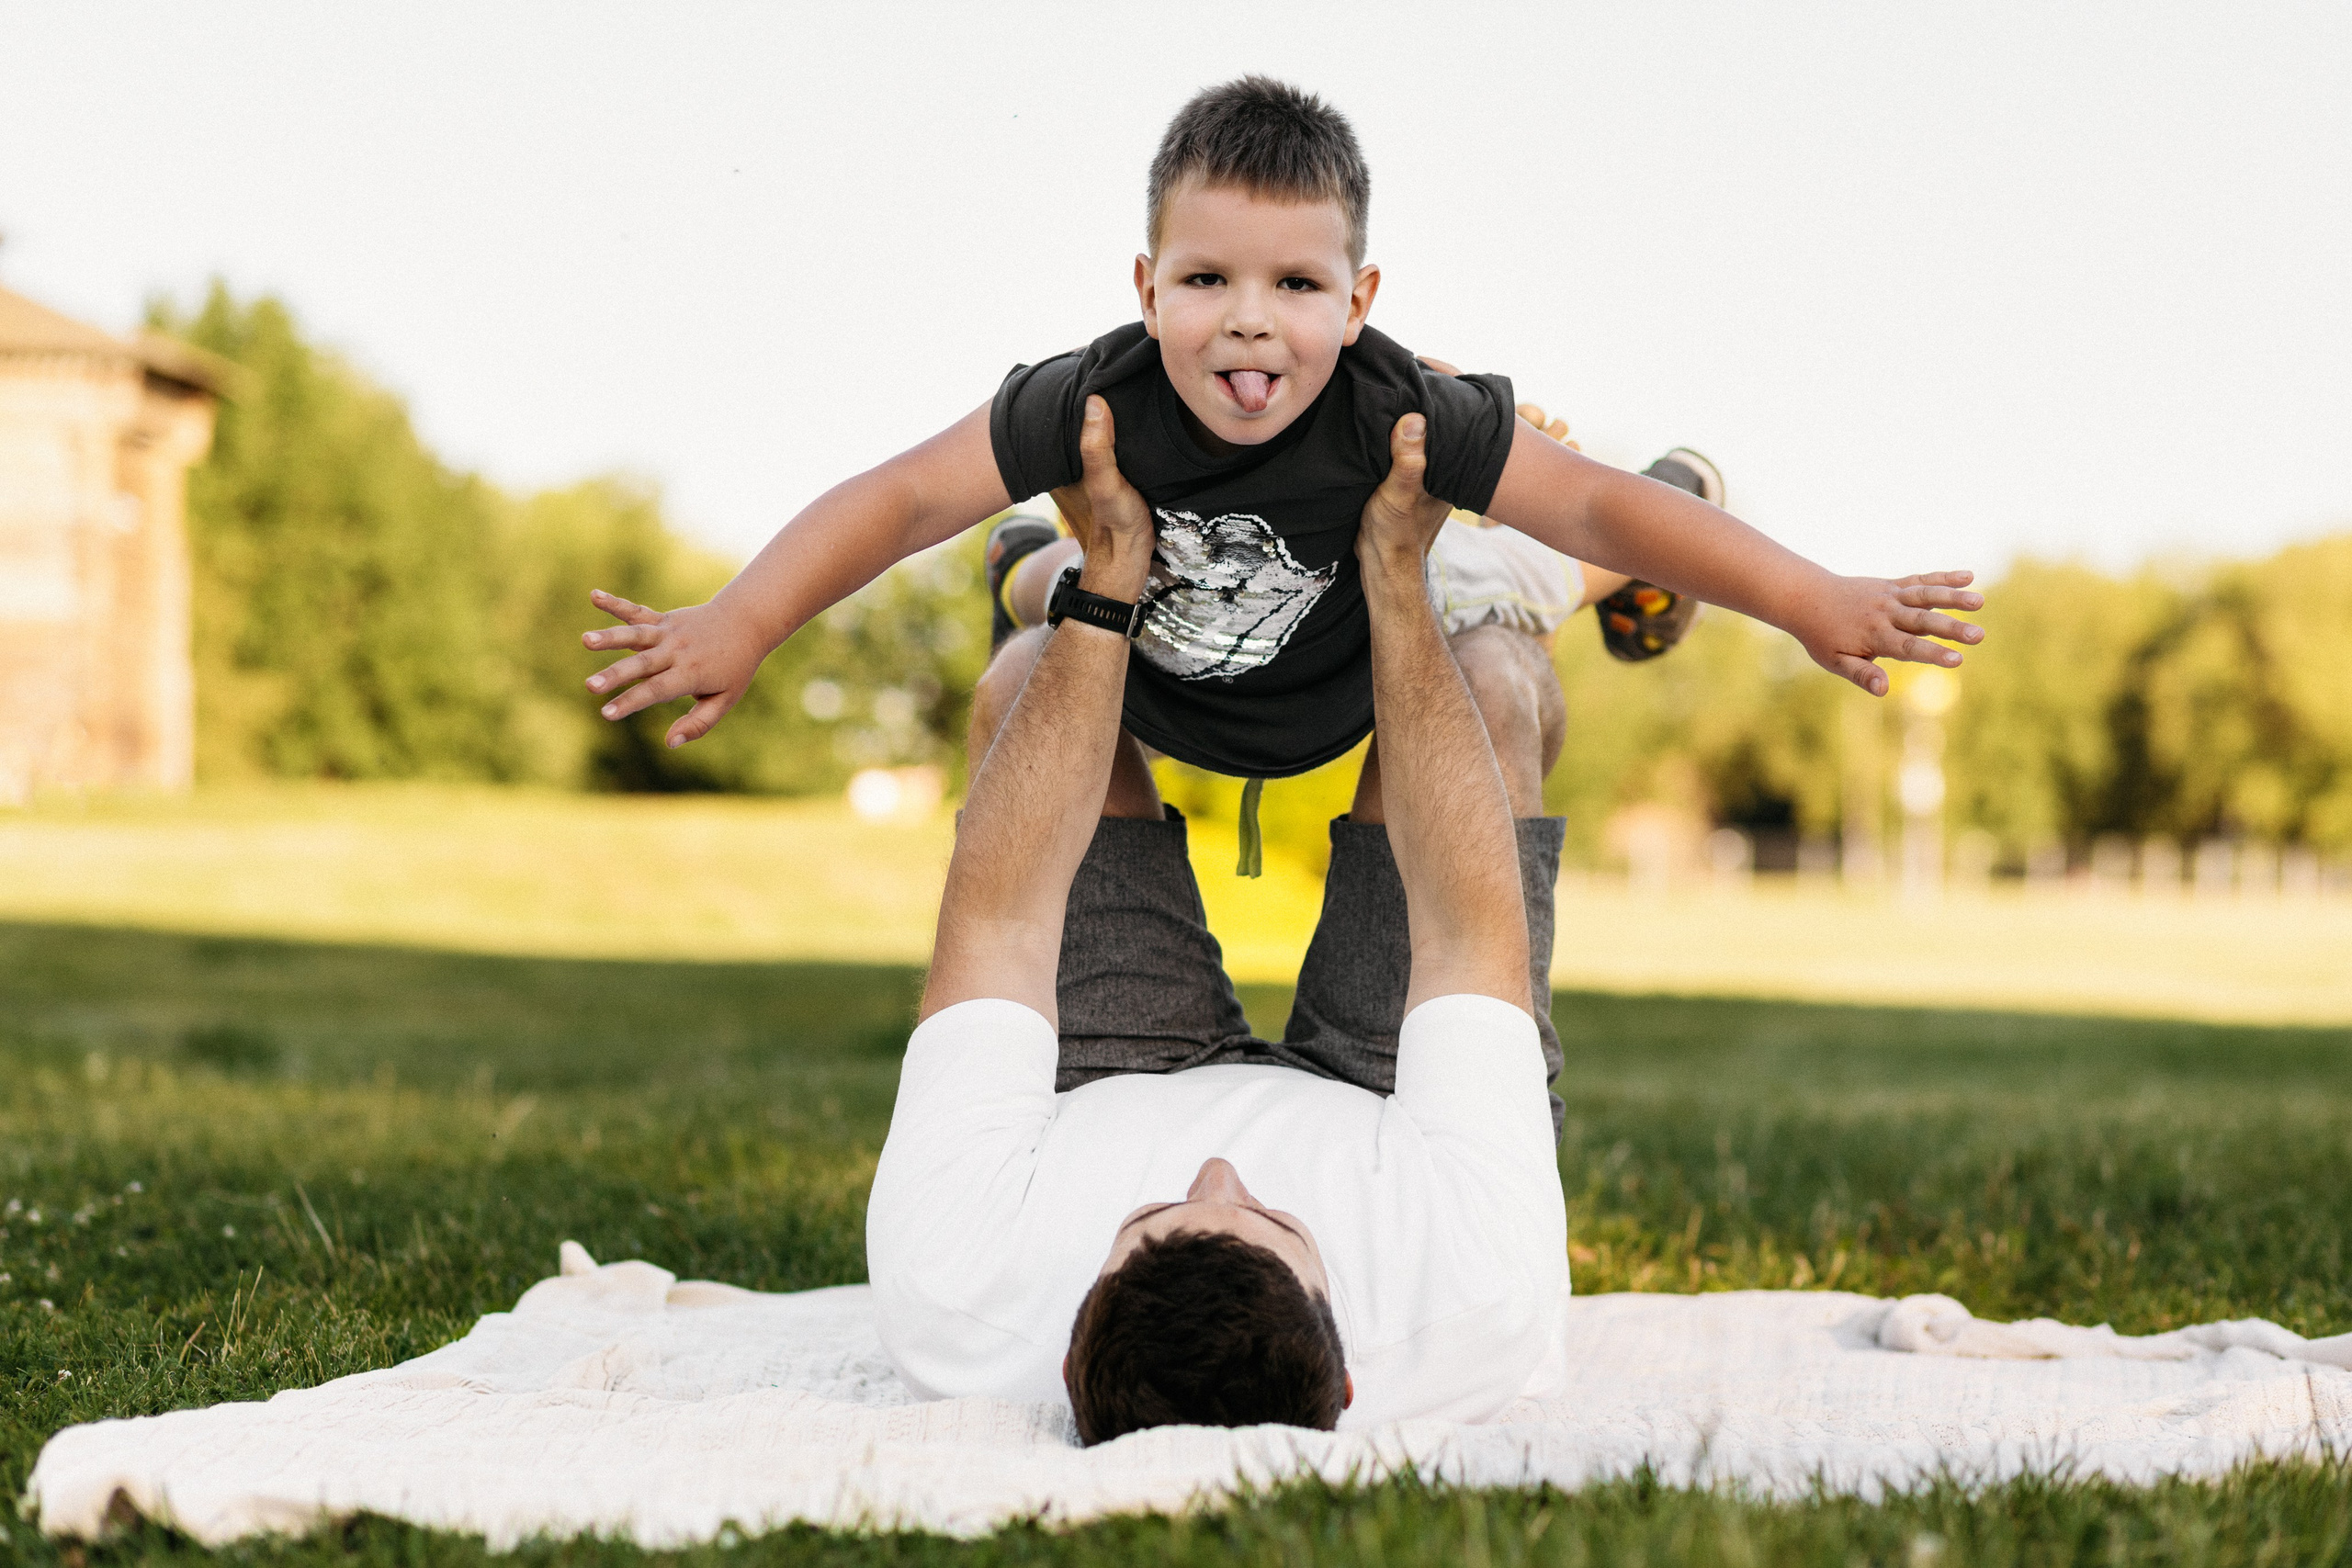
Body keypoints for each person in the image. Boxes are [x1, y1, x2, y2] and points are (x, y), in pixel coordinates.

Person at [578, 78, 1985, 782]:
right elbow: (894, 499)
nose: (1249, 321)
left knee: (1508, 577)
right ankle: (1031, 546)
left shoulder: (1393, 406)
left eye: (1297, 287)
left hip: (1373, 652)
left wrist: (1809, 597)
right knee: (1048, 593)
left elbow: (1597, 505)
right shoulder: (1093, 398)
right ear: (1146, 287)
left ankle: (1685, 517)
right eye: (1207, 281)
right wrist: (748, 617)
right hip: (1168, 653)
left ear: (1359, 301)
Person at [866, 400, 1568, 1441]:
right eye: (1279, 1221)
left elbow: (998, 925)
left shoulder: (957, 1290)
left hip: (1106, 1085)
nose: (1220, 1173)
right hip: (1392, 1109)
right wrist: (1394, 580)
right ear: (1347, 1383)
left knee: (1025, 681)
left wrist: (1108, 577)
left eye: (1147, 1218)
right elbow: (1472, 937)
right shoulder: (1470, 1295)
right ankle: (1037, 567)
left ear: (1064, 1355)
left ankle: (1037, 572)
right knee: (1490, 683)